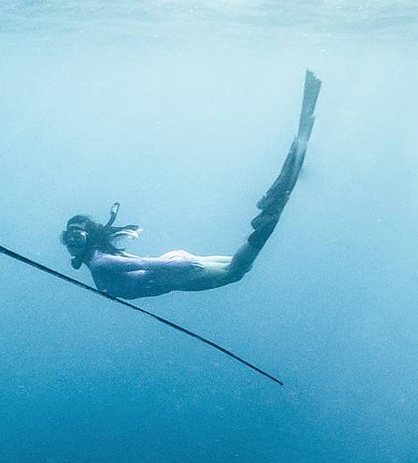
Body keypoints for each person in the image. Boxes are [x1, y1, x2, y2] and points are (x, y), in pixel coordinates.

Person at [61, 71, 322, 300]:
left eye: (77, 237)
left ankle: (273, 207)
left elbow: (144, 264)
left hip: (172, 273)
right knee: (240, 267)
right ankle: (273, 203)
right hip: (172, 267)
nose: (72, 243)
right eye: (69, 238)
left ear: (89, 238)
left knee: (235, 271)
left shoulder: (100, 263)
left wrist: (179, 267)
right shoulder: (100, 259)